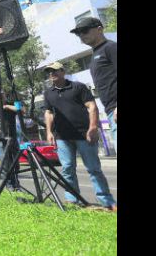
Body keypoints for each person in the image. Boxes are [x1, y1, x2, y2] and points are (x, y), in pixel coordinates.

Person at [42, 61, 117, 211]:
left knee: (93, 168)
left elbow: (92, 106)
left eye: (55, 71)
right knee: (67, 168)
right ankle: (72, 200)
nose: (52, 74)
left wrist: (93, 127)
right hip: (62, 137)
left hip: (84, 134)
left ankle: (106, 202)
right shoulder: (48, 93)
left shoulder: (78, 87)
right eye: (49, 72)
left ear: (63, 71)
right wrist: (49, 132)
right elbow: (48, 113)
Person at [70, 17, 117, 151]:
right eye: (78, 33)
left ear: (99, 29)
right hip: (110, 111)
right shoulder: (96, 54)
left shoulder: (111, 47)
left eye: (84, 31)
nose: (81, 35)